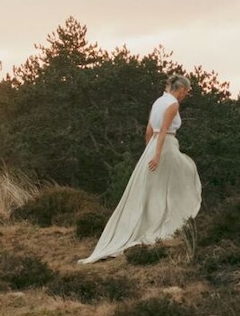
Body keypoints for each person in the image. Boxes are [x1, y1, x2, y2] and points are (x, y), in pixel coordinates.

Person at [79, 74, 202, 263]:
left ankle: (159, 219)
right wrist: (157, 155)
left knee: (155, 188)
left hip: (153, 146)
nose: (185, 95)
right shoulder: (173, 104)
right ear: (181, 89)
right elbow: (163, 131)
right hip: (165, 147)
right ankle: (169, 221)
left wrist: (149, 152)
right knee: (185, 174)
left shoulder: (158, 102)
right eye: (186, 92)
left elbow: (149, 131)